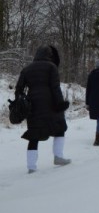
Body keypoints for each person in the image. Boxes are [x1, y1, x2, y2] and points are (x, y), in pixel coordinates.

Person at [15, 44, 70, 174]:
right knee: (59, 128)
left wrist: (22, 103)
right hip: (51, 104)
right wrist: (60, 104)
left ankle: (31, 167)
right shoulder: (52, 67)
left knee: (34, 134)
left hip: (33, 106)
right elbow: (55, 87)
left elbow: (18, 90)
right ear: (49, 56)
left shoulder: (27, 69)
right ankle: (58, 157)